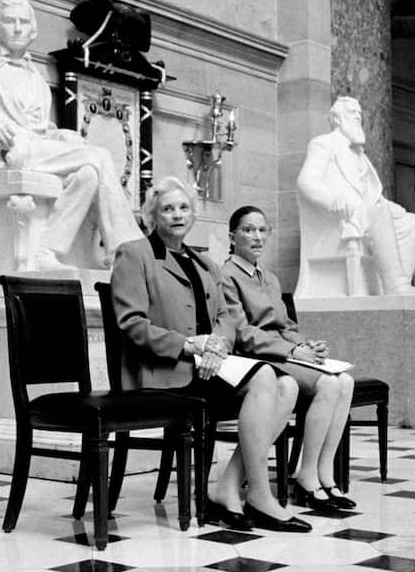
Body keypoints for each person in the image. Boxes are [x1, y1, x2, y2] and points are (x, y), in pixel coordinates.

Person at [111, 177, 310, 533]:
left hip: (209, 366)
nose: (177, 215)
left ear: (193, 214)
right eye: (167, 209)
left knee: (288, 387)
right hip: (166, 370)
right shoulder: (134, 254)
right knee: (266, 376)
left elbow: (225, 319)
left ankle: (229, 487)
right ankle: (259, 495)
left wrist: (217, 345)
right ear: (153, 215)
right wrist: (191, 345)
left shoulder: (204, 263)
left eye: (183, 208)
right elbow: (132, 323)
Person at [0, 0, 143, 270]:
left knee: (88, 175)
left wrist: (59, 136)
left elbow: (39, 131)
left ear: (33, 31)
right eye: (10, 21)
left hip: (32, 151)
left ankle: (47, 250)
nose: (18, 28)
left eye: (23, 22)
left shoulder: (38, 81)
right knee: (100, 156)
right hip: (3, 154)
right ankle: (127, 251)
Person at [221, 206, 357, 513]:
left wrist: (306, 345)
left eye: (262, 230)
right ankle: (306, 476)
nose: (257, 237)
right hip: (256, 358)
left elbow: (286, 326)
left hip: (284, 353)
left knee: (345, 381)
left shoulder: (269, 278)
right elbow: (242, 333)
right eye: (248, 230)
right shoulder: (225, 275)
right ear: (232, 237)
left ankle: (324, 473)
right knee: (328, 385)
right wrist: (293, 352)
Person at [296, 96, 415, 297]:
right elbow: (306, 181)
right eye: (352, 113)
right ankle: (396, 286)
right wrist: (332, 200)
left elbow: (369, 192)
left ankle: (396, 285)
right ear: (337, 119)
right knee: (378, 212)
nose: (358, 117)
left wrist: (389, 205)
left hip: (367, 212)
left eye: (359, 113)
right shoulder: (323, 144)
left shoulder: (360, 155)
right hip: (343, 216)